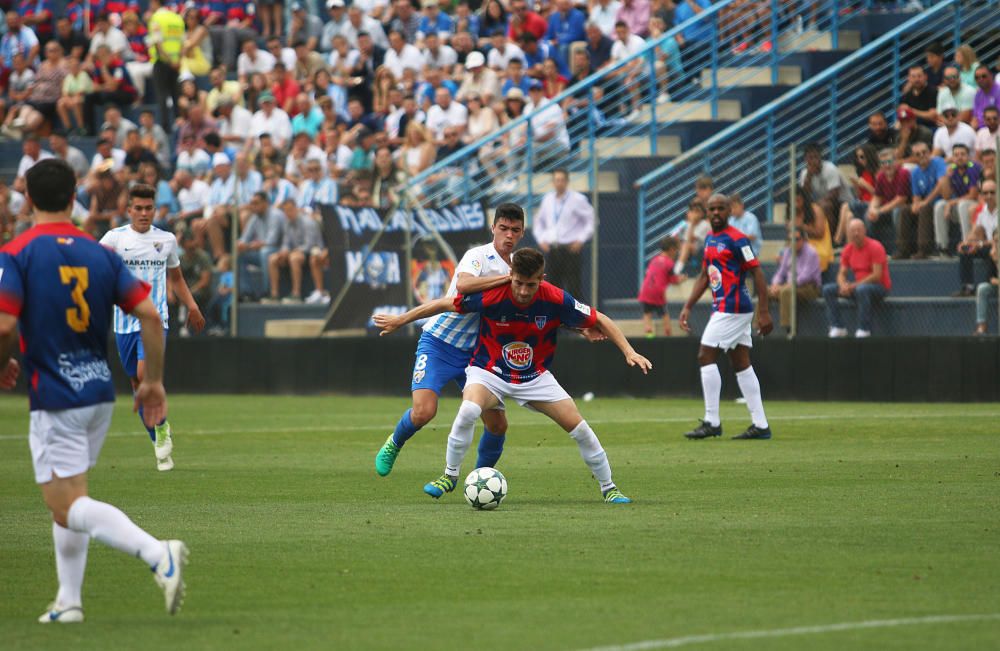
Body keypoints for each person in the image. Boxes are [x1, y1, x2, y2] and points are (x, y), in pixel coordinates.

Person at [0, 159, 187, 623]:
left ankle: (157, 553)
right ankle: (69, 601)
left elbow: (4, 323)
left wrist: (4, 361)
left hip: (56, 392)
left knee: (62, 502)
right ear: (72, 198)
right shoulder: (100, 252)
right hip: (99, 391)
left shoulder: (18, 252)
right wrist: (154, 382)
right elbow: (149, 314)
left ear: (27, 199)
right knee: (73, 497)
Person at [374, 247, 650, 504]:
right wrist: (401, 320)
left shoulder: (555, 297)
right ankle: (450, 475)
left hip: (535, 378)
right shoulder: (494, 294)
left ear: (542, 279)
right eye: (518, 282)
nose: (523, 291)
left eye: (531, 284)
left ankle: (609, 489)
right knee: (468, 409)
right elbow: (444, 305)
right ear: (511, 276)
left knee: (580, 429)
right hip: (488, 372)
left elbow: (599, 318)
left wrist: (629, 351)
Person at [372, 204, 526, 478]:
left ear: (522, 232)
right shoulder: (478, 256)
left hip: (477, 356)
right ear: (493, 229)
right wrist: (400, 320)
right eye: (503, 228)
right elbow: (464, 285)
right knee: (423, 412)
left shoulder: (519, 271)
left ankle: (481, 479)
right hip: (439, 344)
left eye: (515, 230)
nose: (508, 235)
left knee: (497, 424)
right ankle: (394, 443)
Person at [99, 184, 205, 471]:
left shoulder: (166, 240)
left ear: (154, 210)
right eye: (139, 208)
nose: (144, 213)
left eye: (149, 208)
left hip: (155, 320)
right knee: (136, 383)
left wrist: (192, 306)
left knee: (146, 377)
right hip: (123, 323)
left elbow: (177, 278)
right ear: (129, 209)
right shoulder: (114, 239)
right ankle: (158, 433)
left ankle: (159, 432)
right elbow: (95, 271)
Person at [679, 194, 774, 441]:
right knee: (741, 361)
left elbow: (758, 274)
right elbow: (704, 275)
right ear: (707, 212)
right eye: (712, 209)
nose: (716, 213)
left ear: (730, 211)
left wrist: (764, 311)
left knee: (705, 355)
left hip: (733, 306)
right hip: (723, 306)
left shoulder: (737, 239)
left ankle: (712, 421)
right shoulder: (710, 238)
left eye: (721, 208)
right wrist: (688, 305)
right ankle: (761, 425)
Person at [822, 218, 892, 338]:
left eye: (858, 230)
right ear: (848, 233)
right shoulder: (848, 249)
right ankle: (837, 326)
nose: (856, 233)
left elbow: (877, 275)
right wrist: (843, 284)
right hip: (858, 286)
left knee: (862, 290)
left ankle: (864, 329)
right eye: (852, 231)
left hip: (879, 287)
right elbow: (841, 273)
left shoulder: (876, 247)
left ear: (864, 231)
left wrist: (853, 285)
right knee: (828, 289)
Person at [532, 169, 594, 300]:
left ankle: (575, 318)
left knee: (573, 286)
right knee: (552, 287)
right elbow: (538, 222)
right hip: (553, 249)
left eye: (561, 180)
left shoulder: (578, 199)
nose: (559, 183)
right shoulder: (548, 199)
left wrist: (581, 239)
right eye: (556, 180)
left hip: (570, 249)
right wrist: (541, 239)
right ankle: (555, 318)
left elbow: (592, 220)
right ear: (553, 182)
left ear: (567, 181)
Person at [768, 226, 822, 331]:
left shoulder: (811, 252)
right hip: (789, 285)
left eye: (797, 239)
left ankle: (788, 329)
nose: (793, 242)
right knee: (766, 291)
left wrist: (784, 286)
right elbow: (780, 273)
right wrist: (775, 285)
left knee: (786, 291)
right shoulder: (788, 251)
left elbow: (805, 277)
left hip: (809, 287)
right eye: (790, 239)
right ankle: (760, 327)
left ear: (803, 239)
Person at [934, 143, 981, 255]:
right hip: (959, 204)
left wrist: (951, 203)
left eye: (963, 154)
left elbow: (973, 195)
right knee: (940, 205)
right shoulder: (952, 169)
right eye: (956, 155)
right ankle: (942, 247)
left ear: (968, 156)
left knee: (962, 205)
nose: (959, 157)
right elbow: (946, 196)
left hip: (974, 205)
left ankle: (967, 243)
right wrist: (946, 177)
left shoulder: (972, 167)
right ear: (952, 158)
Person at [957, 179, 997, 299]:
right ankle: (968, 287)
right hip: (985, 245)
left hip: (996, 247)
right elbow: (974, 232)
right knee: (965, 249)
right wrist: (966, 243)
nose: (989, 196)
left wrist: (979, 244)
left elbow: (996, 240)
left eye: (992, 192)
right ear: (981, 195)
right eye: (985, 193)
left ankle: (988, 285)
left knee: (993, 249)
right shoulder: (981, 212)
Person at [637, 236, 681, 337]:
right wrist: (681, 279)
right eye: (676, 250)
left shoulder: (654, 260)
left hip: (646, 290)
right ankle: (668, 335)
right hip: (658, 292)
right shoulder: (669, 263)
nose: (676, 253)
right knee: (664, 315)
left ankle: (649, 337)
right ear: (671, 249)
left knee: (647, 315)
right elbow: (674, 280)